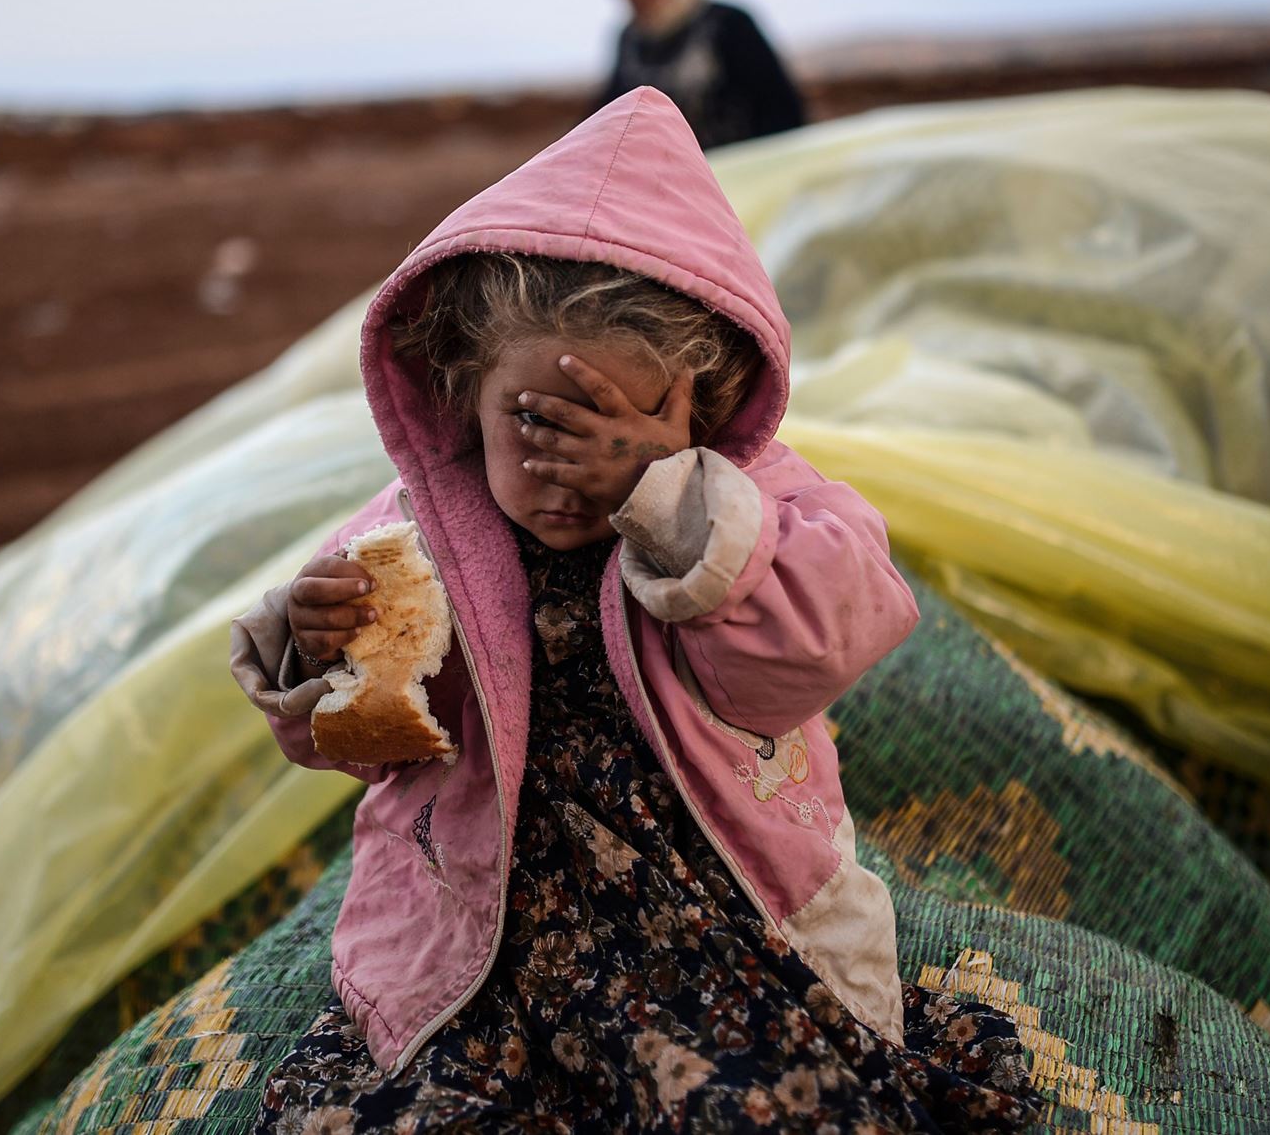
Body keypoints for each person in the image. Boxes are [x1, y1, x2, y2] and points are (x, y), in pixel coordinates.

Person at [228, 88, 1038, 1132]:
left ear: (703, 402)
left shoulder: (756, 505)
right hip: (489, 916)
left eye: (629, 419)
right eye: (534, 418)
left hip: (702, 910)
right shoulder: (414, 530)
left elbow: (806, 650)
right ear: (459, 387)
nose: (577, 461)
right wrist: (314, 649)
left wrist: (662, 502)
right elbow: (360, 741)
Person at [595, 0, 805, 150]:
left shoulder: (727, 24)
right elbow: (611, 116)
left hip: (741, 170)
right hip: (665, 178)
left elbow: (781, 109)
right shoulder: (631, 40)